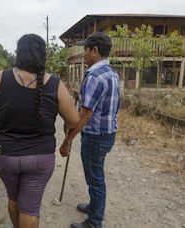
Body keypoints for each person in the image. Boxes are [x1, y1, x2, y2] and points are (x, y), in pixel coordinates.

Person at [0, 34, 79, 228]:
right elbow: (74, 119)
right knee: (30, 208)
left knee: (14, 198)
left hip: (6, 156)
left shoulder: (2, 77)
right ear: (42, 56)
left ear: (19, 54)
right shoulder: (55, 84)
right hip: (40, 158)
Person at [60, 32, 120, 228]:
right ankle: (94, 207)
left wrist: (69, 139)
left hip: (95, 136)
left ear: (95, 51)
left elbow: (86, 115)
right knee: (96, 174)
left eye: (86, 49)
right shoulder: (112, 74)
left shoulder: (94, 76)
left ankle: (94, 222)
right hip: (107, 134)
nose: (83, 53)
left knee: (95, 179)